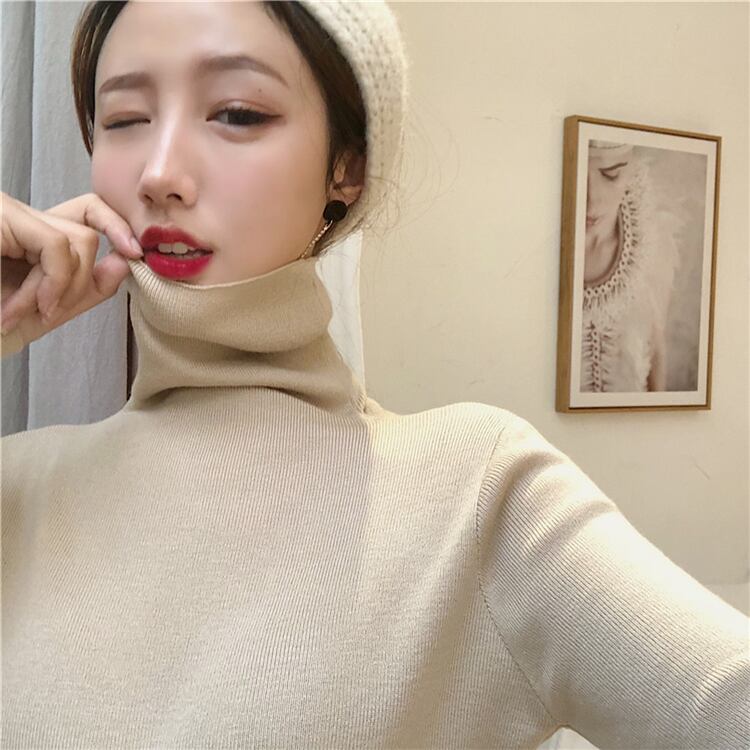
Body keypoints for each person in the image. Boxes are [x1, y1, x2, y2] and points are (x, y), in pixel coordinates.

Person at [1, 2, 748, 749]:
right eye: (125, 119)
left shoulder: (478, 498)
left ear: (348, 168)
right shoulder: (21, 488)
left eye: (236, 113)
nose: (161, 173)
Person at [581, 140, 680, 393]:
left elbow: (655, 345)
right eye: (577, 176)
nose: (591, 202)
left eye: (610, 174)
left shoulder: (651, 239)